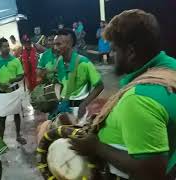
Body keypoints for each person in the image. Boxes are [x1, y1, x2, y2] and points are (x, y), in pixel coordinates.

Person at [69, 9, 176, 180]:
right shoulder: (169, 68)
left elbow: (152, 173)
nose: (112, 55)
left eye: (115, 50)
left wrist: (97, 147)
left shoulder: (138, 99)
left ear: (131, 52)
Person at [54, 29, 104, 119]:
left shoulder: (84, 63)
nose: (55, 48)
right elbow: (61, 84)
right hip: (64, 109)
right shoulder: (59, 62)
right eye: (54, 44)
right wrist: (60, 101)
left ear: (69, 44)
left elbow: (100, 86)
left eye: (58, 44)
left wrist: (84, 104)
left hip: (79, 110)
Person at [0, 38, 27, 145]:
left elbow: (21, 75)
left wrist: (13, 80)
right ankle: (1, 140)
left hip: (15, 92)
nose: (7, 48)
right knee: (2, 117)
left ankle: (18, 135)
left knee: (17, 114)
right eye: (4, 46)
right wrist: (1, 85)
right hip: (3, 93)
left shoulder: (15, 60)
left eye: (7, 46)